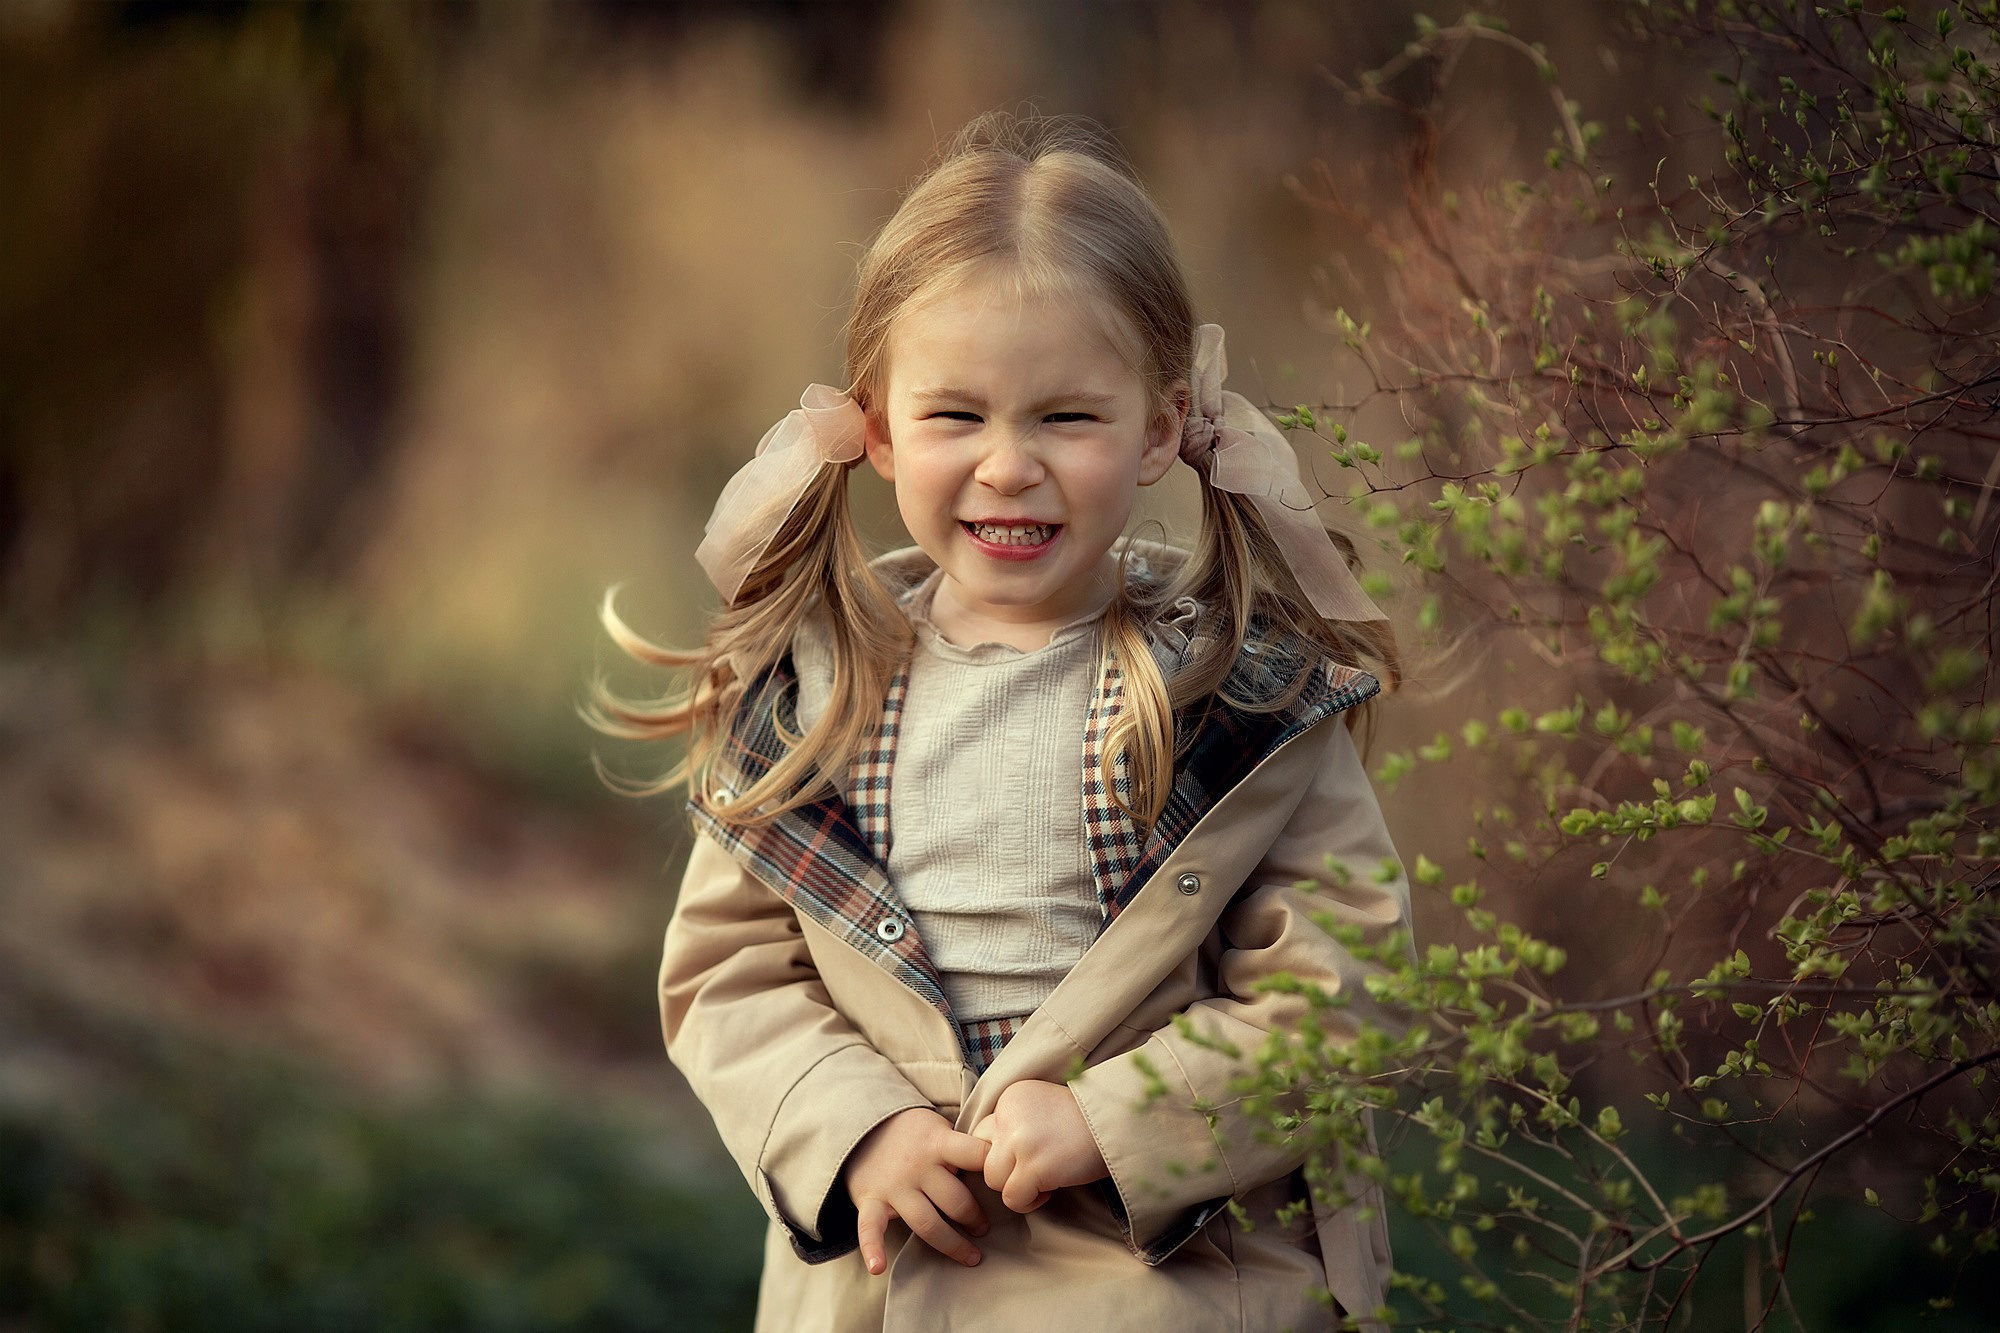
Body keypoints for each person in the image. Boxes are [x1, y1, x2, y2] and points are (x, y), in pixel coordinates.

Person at [588, 113, 1414, 1333]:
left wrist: (1110, 1120)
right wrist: (855, 1127)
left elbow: (1340, 989)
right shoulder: (812, 691)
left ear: (1158, 430)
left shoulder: (1239, 696)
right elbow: (729, 975)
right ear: (873, 429)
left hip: (1166, 1283)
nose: (1007, 465)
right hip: (887, 1281)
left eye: (1065, 418)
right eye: (955, 416)